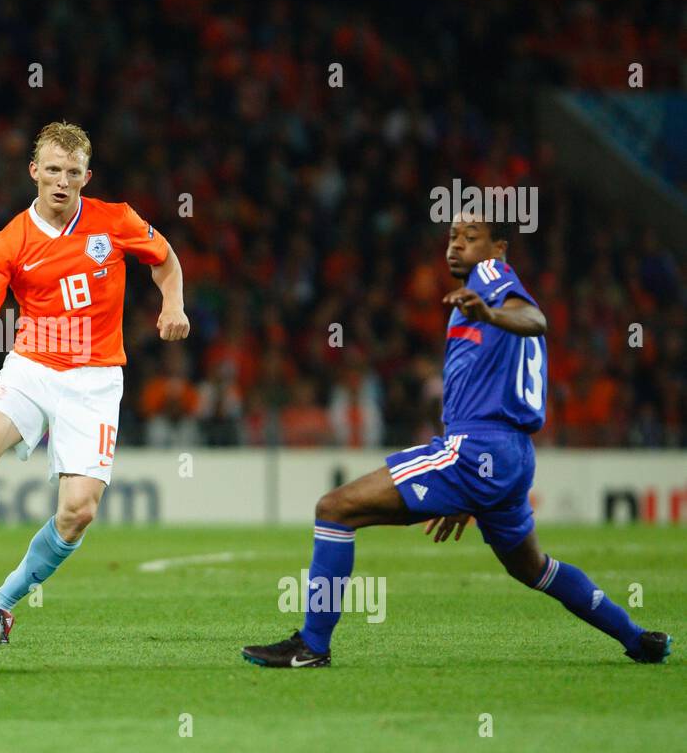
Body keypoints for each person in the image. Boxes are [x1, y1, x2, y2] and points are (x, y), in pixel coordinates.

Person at [241, 214, 671, 667]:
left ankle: (312, 646)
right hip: (509, 456)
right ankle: (636, 637)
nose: (456, 246)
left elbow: (535, 318)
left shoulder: (492, 280)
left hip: (478, 448)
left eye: (471, 237)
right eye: (452, 237)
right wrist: (471, 492)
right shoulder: (480, 296)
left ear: (498, 248)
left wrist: (489, 311)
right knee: (534, 568)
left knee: (335, 509)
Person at [0, 122, 189, 642]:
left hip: (96, 379)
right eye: (53, 170)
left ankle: (1, 604)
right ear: (34, 171)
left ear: (86, 176)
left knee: (77, 512)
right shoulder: (9, 241)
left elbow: (166, 261)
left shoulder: (116, 221)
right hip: (33, 366)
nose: (62, 181)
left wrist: (173, 304)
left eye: (73, 173)